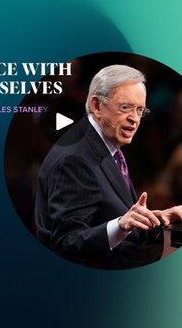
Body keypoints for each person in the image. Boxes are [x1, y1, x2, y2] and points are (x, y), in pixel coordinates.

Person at [35, 65, 182, 269]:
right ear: (96, 105)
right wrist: (120, 225)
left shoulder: (103, 144)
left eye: (140, 110)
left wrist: (163, 219)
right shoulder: (75, 159)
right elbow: (65, 243)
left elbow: (121, 221)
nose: (135, 119)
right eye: (125, 107)